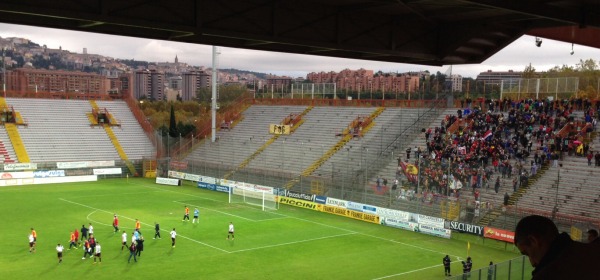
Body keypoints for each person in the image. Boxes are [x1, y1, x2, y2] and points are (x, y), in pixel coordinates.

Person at [514, 215, 600, 279]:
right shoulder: (593, 251)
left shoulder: (549, 275)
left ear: (533, 241)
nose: (532, 263)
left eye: (527, 253)